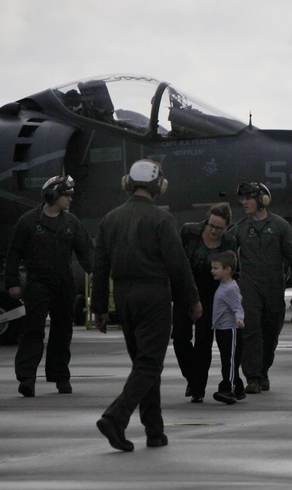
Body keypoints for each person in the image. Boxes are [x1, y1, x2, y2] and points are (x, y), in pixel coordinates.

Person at [92, 160, 201, 452]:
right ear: (158, 186)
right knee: (150, 363)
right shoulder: (162, 220)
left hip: (124, 297)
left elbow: (99, 267)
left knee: (143, 364)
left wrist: (99, 308)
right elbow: (178, 266)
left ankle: (155, 431)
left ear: (128, 183)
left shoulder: (110, 219)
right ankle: (115, 417)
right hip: (153, 295)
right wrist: (192, 300)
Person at [5, 175, 93, 398]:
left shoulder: (71, 223)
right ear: (52, 195)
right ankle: (27, 378)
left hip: (64, 283)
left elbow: (86, 252)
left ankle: (61, 376)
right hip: (38, 283)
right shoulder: (28, 222)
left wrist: (97, 273)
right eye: (67, 195)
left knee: (63, 330)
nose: (70, 199)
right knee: (33, 329)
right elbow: (13, 253)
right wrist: (13, 283)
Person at [231, 182, 292, 393]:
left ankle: (263, 371)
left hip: (274, 285)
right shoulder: (241, 228)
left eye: (249, 198)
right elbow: (226, 250)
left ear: (262, 200)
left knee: (271, 331)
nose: (244, 202)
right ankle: (252, 377)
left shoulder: (281, 226)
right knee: (251, 329)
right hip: (249, 285)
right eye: (243, 198)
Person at [174, 203, 237, 403]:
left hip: (212, 295)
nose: (213, 230)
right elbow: (176, 259)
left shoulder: (229, 242)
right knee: (180, 339)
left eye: (219, 228)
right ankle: (192, 377)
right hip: (186, 292)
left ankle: (198, 388)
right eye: (211, 225)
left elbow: (233, 270)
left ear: (226, 228)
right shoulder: (189, 232)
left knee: (204, 342)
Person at [210, 250, 245, 405]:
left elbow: (238, 307)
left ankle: (227, 389)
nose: (212, 271)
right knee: (228, 360)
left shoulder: (230, 288)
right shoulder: (224, 285)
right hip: (222, 330)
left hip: (230, 330)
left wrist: (239, 319)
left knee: (229, 361)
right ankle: (238, 387)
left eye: (216, 268)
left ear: (227, 270)